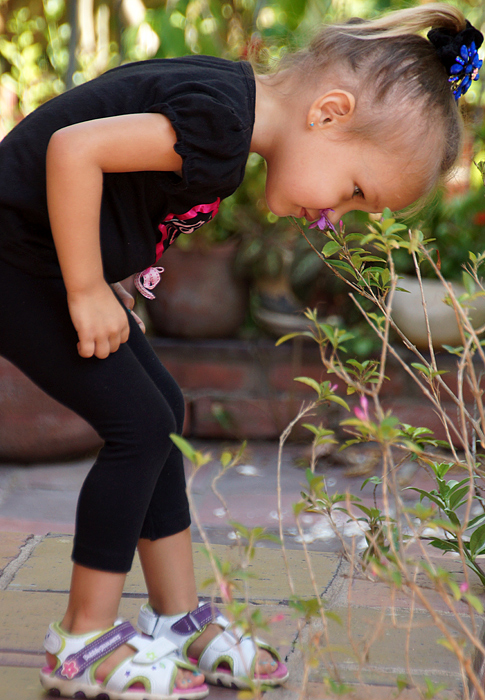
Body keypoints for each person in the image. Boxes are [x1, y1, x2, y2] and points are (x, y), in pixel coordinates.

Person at [0, 3, 481, 698]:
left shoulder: (228, 109)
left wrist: (108, 272)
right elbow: (73, 149)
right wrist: (84, 287)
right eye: (352, 191)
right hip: (18, 265)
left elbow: (115, 179)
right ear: (328, 112)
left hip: (36, 259)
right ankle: (81, 643)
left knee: (161, 408)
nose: (332, 217)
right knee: (137, 424)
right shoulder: (220, 125)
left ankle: (174, 617)